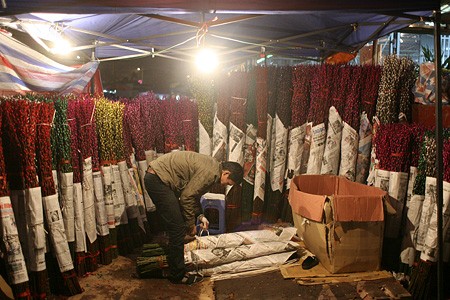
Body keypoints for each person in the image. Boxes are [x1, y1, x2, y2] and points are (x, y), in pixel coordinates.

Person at [144, 151, 243, 285]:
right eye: (228, 183)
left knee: (176, 224)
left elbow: (193, 195)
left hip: (158, 178)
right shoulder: (211, 173)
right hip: (157, 180)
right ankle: (177, 275)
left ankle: (172, 262)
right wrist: (191, 226)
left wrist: (201, 217)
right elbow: (186, 197)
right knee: (178, 228)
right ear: (226, 173)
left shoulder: (213, 167)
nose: (225, 185)